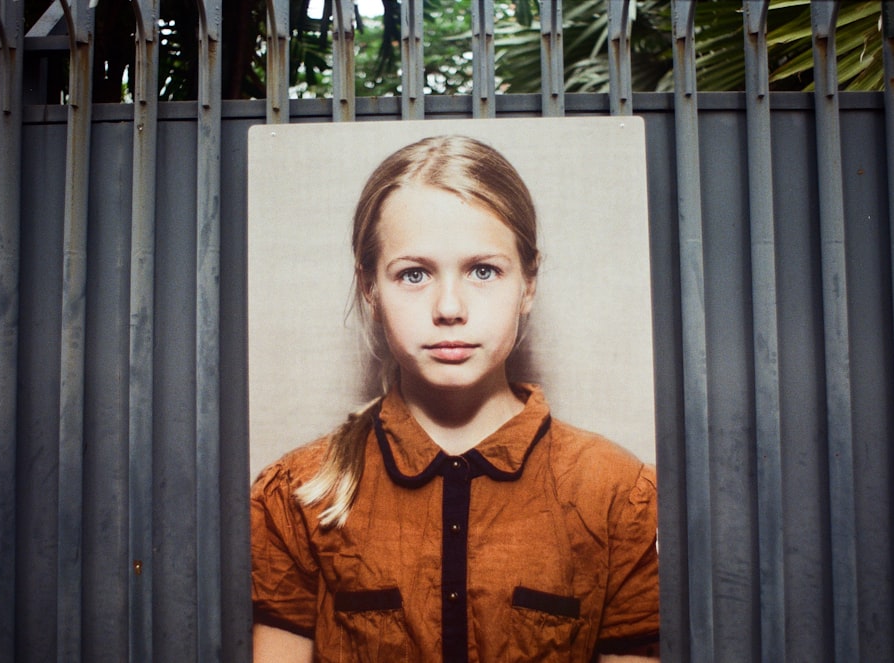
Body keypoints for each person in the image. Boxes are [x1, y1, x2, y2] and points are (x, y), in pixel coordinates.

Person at [251, 135, 660, 663]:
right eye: (413, 274)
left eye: (483, 271)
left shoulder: (618, 497)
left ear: (529, 283)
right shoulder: (298, 497)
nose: (449, 307)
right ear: (370, 287)